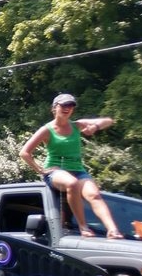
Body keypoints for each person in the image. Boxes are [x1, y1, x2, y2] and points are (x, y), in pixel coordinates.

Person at [20, 93, 123, 239]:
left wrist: (94, 126)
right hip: (56, 171)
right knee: (72, 183)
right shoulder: (47, 129)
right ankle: (83, 227)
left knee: (94, 194)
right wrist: (40, 170)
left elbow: (108, 121)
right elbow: (24, 152)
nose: (67, 108)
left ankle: (113, 230)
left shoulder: (77, 125)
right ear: (54, 108)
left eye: (71, 106)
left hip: (78, 170)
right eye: (64, 105)